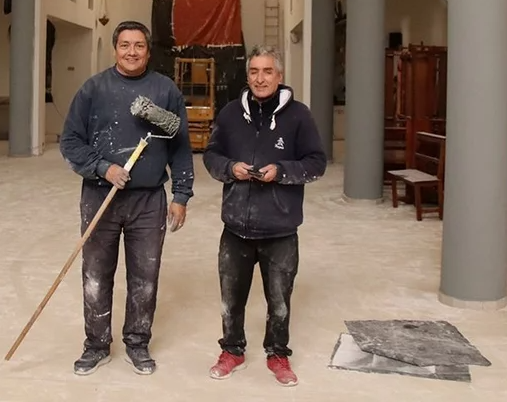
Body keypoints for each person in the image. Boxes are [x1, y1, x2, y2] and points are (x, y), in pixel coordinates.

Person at [60, 20, 194, 376]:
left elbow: (181, 146)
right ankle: (96, 345)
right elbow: (70, 141)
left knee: (145, 275)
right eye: (125, 45)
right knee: (96, 274)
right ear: (115, 49)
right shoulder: (94, 89)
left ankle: (137, 343)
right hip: (100, 196)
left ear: (148, 51)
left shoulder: (164, 91)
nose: (131, 52)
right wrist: (103, 168)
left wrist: (181, 195)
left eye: (138, 45)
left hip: (149, 200)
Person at [202, 45, 327, 386]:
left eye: (267, 71)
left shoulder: (299, 115)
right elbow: (211, 156)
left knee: (280, 302)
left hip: (280, 229)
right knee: (231, 299)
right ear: (248, 76)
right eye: (254, 71)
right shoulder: (229, 114)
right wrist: (230, 168)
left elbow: (317, 162)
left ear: (279, 76)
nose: (260, 78)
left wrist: (282, 171)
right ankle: (232, 350)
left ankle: (278, 355)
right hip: (236, 228)